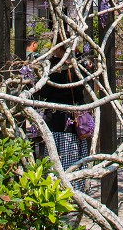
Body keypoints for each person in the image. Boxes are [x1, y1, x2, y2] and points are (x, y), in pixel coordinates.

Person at [34, 44, 90, 193]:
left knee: (58, 157)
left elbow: (44, 91)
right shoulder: (80, 66)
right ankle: (76, 190)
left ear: (60, 50)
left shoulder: (55, 70)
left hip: (58, 119)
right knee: (76, 157)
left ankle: (59, 191)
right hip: (75, 118)